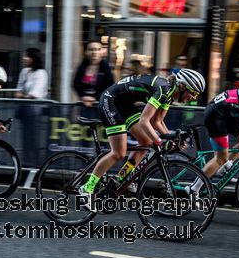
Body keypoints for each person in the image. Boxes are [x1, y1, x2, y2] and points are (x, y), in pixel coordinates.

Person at [79, 68, 206, 197]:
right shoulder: (163, 90)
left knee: (146, 142)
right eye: (193, 92)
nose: (194, 97)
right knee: (119, 152)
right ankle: (87, 188)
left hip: (124, 103)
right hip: (110, 100)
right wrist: (160, 142)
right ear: (182, 86)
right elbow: (144, 121)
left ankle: (122, 178)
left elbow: (157, 121)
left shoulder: (169, 95)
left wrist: (172, 138)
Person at [73, 40, 114, 107]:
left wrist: (95, 98)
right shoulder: (82, 66)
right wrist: (83, 96)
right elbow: (75, 84)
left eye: (98, 49)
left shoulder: (105, 66)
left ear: (102, 52)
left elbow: (110, 86)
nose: (94, 52)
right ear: (86, 52)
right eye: (91, 49)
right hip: (84, 105)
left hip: (100, 105)